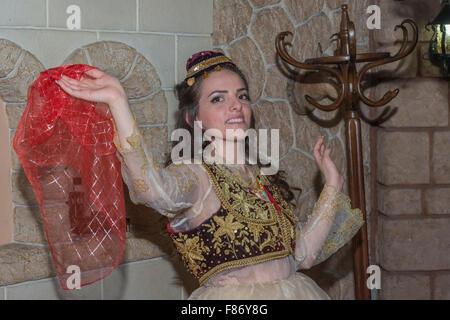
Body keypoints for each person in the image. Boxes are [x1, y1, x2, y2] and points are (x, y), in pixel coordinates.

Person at [55, 50, 364, 300]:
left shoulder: (262, 178)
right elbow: (151, 190)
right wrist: (119, 105)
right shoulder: (197, 175)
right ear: (194, 118)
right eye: (218, 99)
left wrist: (333, 185)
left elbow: (303, 256)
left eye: (241, 96)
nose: (236, 106)